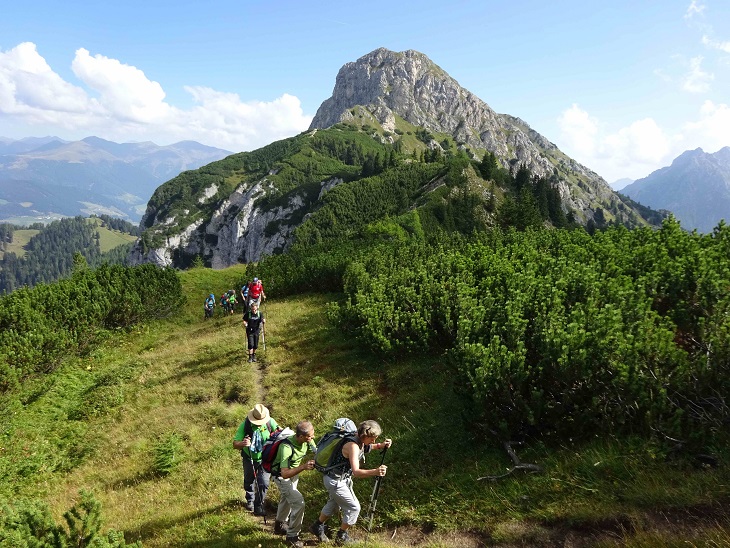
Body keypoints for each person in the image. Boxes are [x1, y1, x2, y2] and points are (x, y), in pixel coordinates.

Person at [310, 420, 392, 545]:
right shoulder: (352, 446)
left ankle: (317, 526)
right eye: (373, 438)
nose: (374, 441)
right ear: (365, 436)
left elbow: (366, 447)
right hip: (336, 481)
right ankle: (341, 536)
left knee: (333, 504)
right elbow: (357, 471)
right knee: (354, 508)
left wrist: (381, 445)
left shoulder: (356, 437)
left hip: (335, 479)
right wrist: (375, 471)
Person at [271, 421, 318, 547]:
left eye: (312, 435)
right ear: (300, 436)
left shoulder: (308, 440)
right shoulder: (285, 447)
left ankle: (279, 525)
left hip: (294, 474)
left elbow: (316, 452)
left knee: (287, 498)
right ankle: (292, 536)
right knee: (298, 502)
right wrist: (303, 466)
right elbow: (285, 473)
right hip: (281, 476)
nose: (312, 438)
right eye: (309, 436)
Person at [232, 404, 278, 515]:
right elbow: (235, 444)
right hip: (249, 458)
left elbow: (278, 433)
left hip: (265, 458)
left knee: (264, 483)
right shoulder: (245, 425)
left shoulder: (270, 422)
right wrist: (243, 443)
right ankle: (250, 500)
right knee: (249, 479)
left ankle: (259, 505)